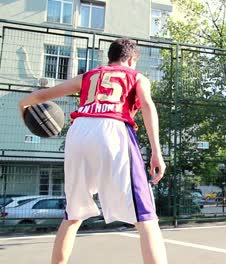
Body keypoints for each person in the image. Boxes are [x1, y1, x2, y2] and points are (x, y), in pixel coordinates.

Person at [18, 38, 168, 264]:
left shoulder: (87, 76)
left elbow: (33, 99)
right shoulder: (137, 76)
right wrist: (156, 151)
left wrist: (25, 114)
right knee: (146, 217)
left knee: (73, 215)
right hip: (113, 129)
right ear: (130, 58)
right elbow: (147, 104)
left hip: (78, 132)